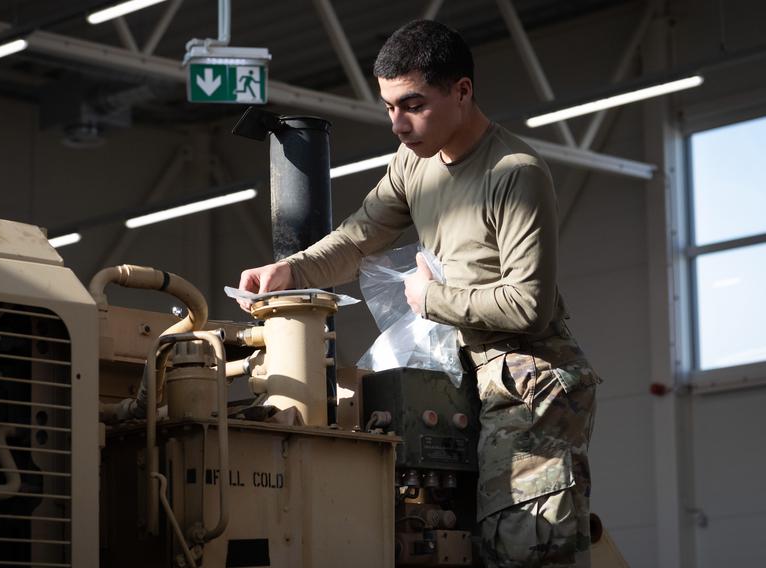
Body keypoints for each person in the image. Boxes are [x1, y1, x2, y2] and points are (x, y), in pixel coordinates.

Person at [237, 19, 601, 567]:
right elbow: (361, 236)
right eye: (388, 107)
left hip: (531, 382)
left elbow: (529, 305)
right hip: (468, 375)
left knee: (523, 548)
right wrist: (290, 270)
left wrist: (430, 299)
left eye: (413, 104)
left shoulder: (515, 173)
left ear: (462, 92)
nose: (398, 125)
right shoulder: (414, 163)